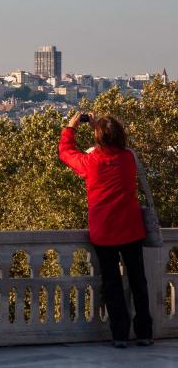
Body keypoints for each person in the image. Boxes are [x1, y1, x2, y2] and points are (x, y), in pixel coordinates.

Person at [59, 113, 153, 348]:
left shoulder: (92, 162)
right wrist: (99, 126)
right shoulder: (128, 158)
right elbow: (117, 145)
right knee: (138, 282)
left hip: (105, 232)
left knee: (112, 285)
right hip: (131, 229)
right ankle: (144, 332)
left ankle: (120, 335)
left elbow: (66, 153)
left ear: (99, 138)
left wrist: (71, 126)